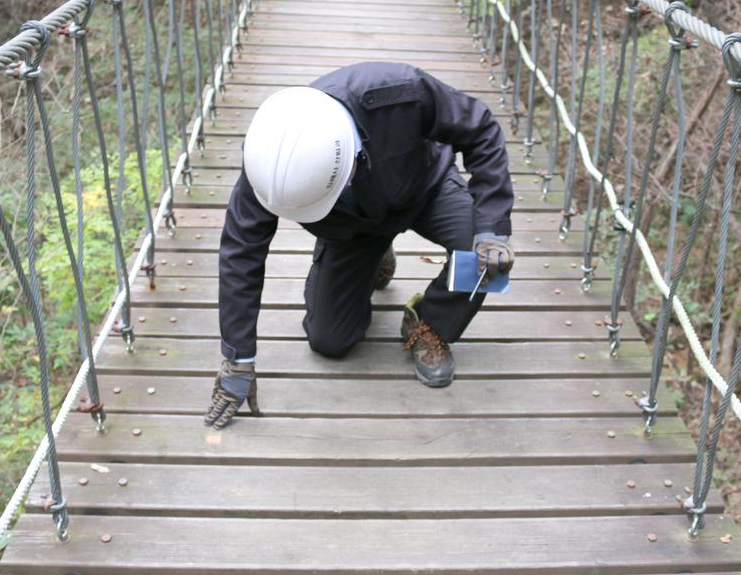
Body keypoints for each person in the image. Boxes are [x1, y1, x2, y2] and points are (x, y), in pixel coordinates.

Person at [204, 62, 515, 428]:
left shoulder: (398, 93)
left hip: (423, 187)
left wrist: (492, 227)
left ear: (349, 160)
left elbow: (481, 129)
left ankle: (430, 321)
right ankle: (375, 255)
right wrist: (238, 357)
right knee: (329, 341)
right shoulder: (265, 164)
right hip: (353, 229)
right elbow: (240, 256)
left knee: (484, 261)